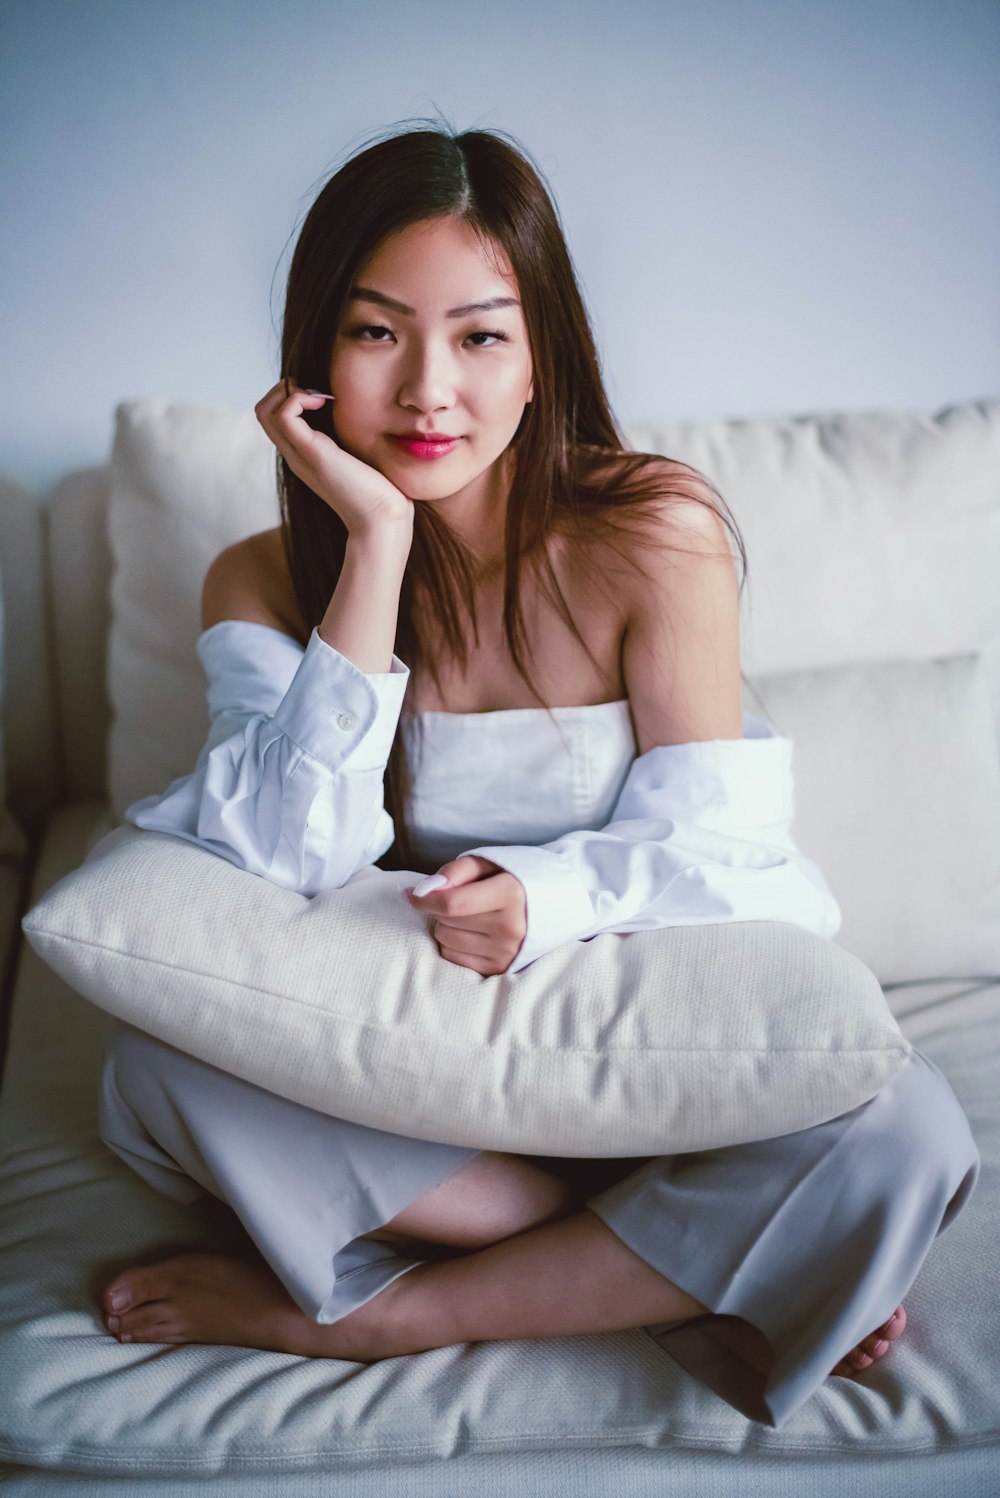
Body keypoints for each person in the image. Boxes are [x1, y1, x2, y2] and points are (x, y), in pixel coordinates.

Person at [95, 123, 979, 1428]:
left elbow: (727, 856)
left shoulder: (653, 533)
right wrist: (376, 544)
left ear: (541, 355)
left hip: (641, 1059)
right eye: (379, 331)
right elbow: (272, 860)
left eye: (481, 335)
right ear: (314, 354)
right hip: (416, 1077)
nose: (428, 393)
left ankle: (388, 1316)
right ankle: (676, 1259)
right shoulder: (260, 577)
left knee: (901, 1127)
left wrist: (541, 896)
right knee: (154, 1063)